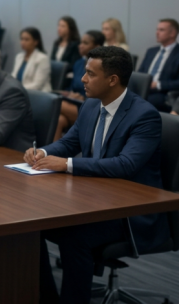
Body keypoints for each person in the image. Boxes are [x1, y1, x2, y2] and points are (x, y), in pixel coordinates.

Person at [26, 46, 168, 304]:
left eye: (90, 74)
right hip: (93, 198)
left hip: (129, 211)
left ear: (112, 80)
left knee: (73, 237)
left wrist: (66, 164)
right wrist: (43, 152)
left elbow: (125, 165)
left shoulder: (144, 116)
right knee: (31, 227)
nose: (83, 79)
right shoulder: (91, 105)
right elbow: (69, 143)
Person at [55, 30, 105, 140]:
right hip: (74, 103)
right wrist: (69, 93)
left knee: (55, 103)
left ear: (97, 46)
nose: (80, 46)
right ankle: (52, 151)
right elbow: (73, 87)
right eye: (81, 42)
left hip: (92, 107)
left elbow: (102, 94)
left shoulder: (102, 68)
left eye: (85, 43)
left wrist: (83, 98)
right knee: (59, 120)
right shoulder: (78, 63)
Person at [138, 19, 179, 111]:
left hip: (163, 93)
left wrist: (158, 85)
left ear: (172, 33)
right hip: (144, 89)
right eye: (157, 29)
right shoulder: (151, 51)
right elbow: (140, 73)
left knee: (145, 102)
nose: (157, 33)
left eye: (161, 30)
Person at [11, 27, 52, 92]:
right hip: (20, 92)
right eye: (21, 39)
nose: (23, 42)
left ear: (35, 42)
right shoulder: (19, 57)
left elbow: (37, 85)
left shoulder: (42, 59)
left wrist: (18, 89)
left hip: (37, 94)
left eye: (26, 40)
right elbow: (13, 77)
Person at [51, 16, 82, 89]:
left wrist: (61, 68)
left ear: (70, 29)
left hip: (67, 76)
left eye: (63, 26)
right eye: (59, 25)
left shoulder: (75, 44)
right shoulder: (57, 43)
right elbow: (52, 60)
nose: (59, 28)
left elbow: (74, 63)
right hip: (54, 75)